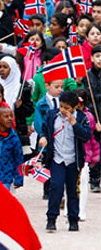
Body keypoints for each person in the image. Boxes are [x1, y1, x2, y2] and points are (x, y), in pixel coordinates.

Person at [39, 91, 91, 232]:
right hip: (57, 159)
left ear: (74, 108)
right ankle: (51, 219)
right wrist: (43, 137)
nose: (63, 110)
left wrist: (74, 124)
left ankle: (73, 219)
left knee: (73, 191)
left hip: (74, 160)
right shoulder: (52, 116)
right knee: (56, 187)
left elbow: (86, 136)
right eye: (61, 107)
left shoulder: (81, 118)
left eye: (67, 108)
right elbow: (44, 130)